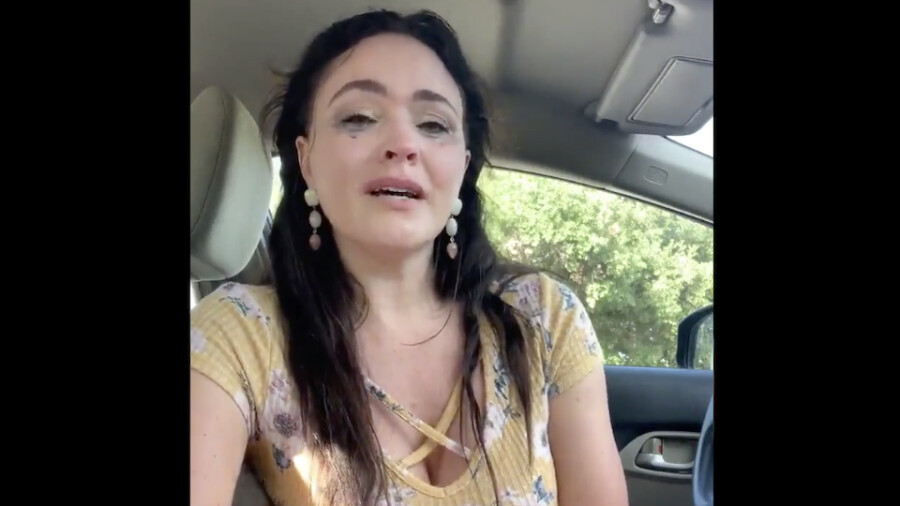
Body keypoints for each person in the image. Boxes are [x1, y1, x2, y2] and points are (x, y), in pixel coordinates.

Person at [190, 9, 628, 506]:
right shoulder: (237, 335)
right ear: (306, 159)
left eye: (434, 125)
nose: (403, 144)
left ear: (461, 168)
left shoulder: (543, 318)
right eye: (358, 117)